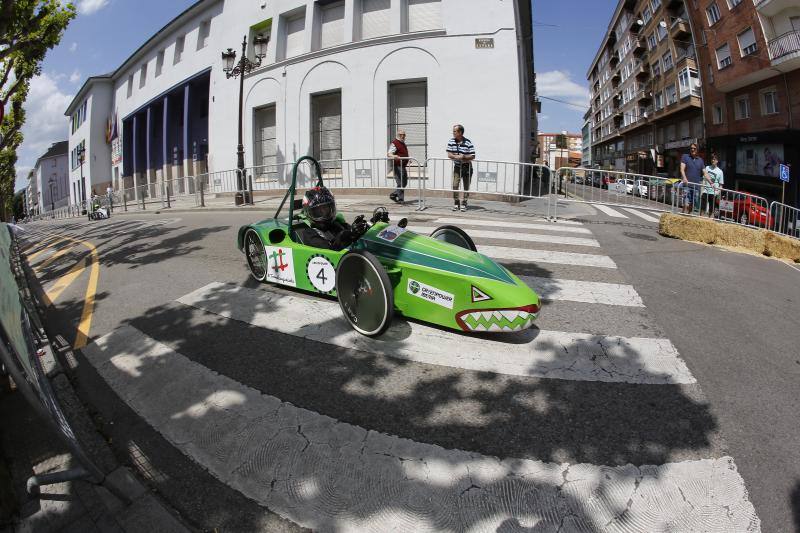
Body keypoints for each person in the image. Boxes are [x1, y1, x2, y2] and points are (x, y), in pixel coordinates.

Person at [295, 186, 368, 251]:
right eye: (318, 211)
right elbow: (329, 251)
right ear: (309, 213)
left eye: (326, 209)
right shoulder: (309, 234)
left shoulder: (336, 224)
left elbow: (352, 234)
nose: (323, 214)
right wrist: (345, 236)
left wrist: (361, 228)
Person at [446, 124, 475, 211]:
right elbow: (449, 154)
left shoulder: (468, 142)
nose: (453, 133)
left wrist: (464, 157)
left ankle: (464, 203)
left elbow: (473, 156)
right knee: (455, 185)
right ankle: (456, 202)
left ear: (460, 132)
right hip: (457, 167)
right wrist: (457, 157)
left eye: (455, 131)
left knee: (466, 186)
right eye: (453, 131)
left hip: (467, 167)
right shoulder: (451, 141)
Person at [679, 142, 704, 214]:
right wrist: (684, 178)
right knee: (686, 203)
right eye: (691, 148)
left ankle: (688, 216)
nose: (692, 150)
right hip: (687, 184)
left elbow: (705, 172)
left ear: (697, 150)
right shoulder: (685, 156)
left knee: (691, 205)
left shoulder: (700, 160)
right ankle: (682, 214)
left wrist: (711, 182)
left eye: (694, 148)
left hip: (696, 186)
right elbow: (682, 169)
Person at [388, 130, 409, 203]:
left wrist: (408, 159)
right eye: (401, 135)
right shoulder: (395, 143)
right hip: (397, 166)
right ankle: (400, 199)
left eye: (404, 135)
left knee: (404, 182)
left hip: (403, 165)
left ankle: (394, 194)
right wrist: (394, 155)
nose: (402, 136)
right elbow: (389, 154)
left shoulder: (402, 143)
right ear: (397, 135)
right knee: (400, 183)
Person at [700, 153, 724, 218]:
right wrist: (702, 190)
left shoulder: (720, 171)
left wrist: (717, 193)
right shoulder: (707, 168)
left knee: (711, 210)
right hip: (705, 191)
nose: (713, 160)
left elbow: (721, 185)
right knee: (702, 209)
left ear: (717, 161)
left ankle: (710, 221)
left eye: (714, 159)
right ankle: (701, 220)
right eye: (712, 159)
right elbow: (704, 179)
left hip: (713, 193)